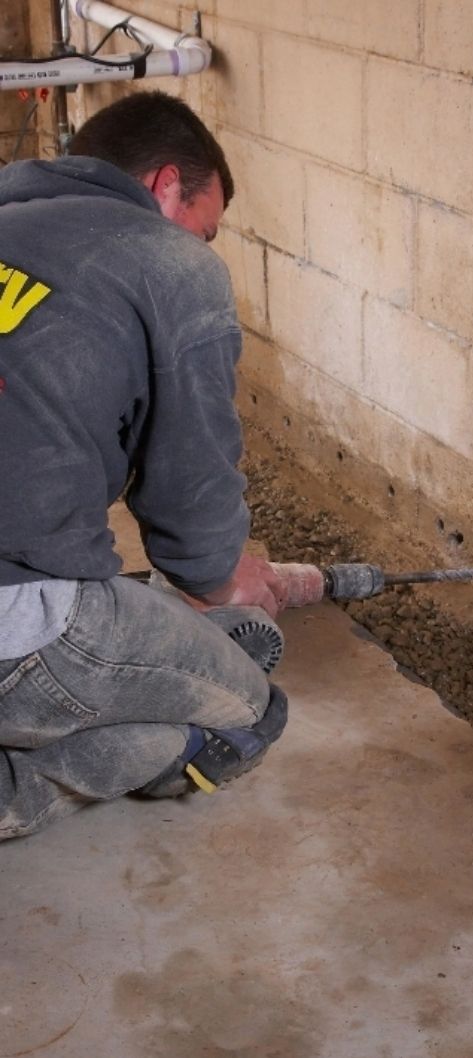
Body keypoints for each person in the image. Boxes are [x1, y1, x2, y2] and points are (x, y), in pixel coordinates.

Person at [0, 91, 289, 839]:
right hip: (14, 622)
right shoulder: (168, 265)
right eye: (207, 227)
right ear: (166, 185)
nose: (205, 247)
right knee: (245, 713)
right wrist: (222, 578)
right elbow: (190, 501)